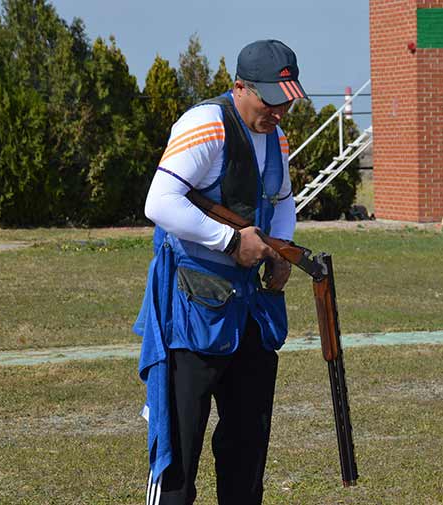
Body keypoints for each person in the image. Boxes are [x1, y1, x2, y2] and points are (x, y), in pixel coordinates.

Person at [134, 39, 308, 505]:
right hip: (192, 312)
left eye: (285, 101)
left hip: (252, 314)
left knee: (247, 452)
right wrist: (231, 240)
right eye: (270, 99)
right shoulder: (206, 123)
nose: (278, 111)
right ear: (240, 87)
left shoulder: (277, 136)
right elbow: (160, 202)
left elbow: (282, 199)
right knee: (178, 461)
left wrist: (279, 251)